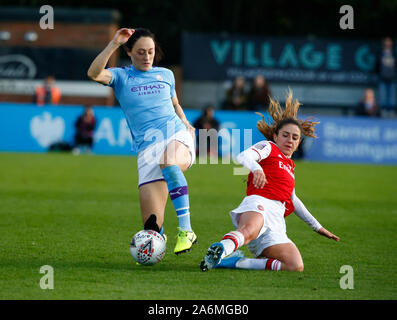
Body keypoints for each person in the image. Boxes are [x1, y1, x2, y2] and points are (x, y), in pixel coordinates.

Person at [200, 91, 339, 272]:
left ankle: (233, 262)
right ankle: (221, 249)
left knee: (294, 265)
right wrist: (257, 168)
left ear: (298, 143)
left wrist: (318, 227)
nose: (290, 140)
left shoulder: (290, 167)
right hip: (259, 204)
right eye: (285, 135)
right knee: (249, 230)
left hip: (276, 220)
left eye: (295, 137)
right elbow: (244, 156)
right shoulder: (269, 147)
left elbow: (293, 200)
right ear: (275, 136)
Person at [87, 28, 197, 254]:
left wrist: (186, 122)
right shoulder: (120, 76)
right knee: (152, 229)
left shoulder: (166, 74)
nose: (147, 57)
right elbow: (93, 74)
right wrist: (114, 43)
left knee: (169, 162)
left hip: (175, 134)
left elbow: (175, 104)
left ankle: (186, 231)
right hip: (147, 150)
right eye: (140, 52)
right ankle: (157, 249)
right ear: (129, 52)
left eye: (151, 52)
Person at [377, 37, 396, 117]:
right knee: (383, 95)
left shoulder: (394, 54)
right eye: (386, 42)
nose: (388, 44)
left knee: (392, 96)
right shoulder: (380, 53)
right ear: (384, 43)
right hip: (382, 78)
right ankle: (383, 111)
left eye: (389, 42)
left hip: (392, 78)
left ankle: (391, 111)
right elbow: (377, 65)